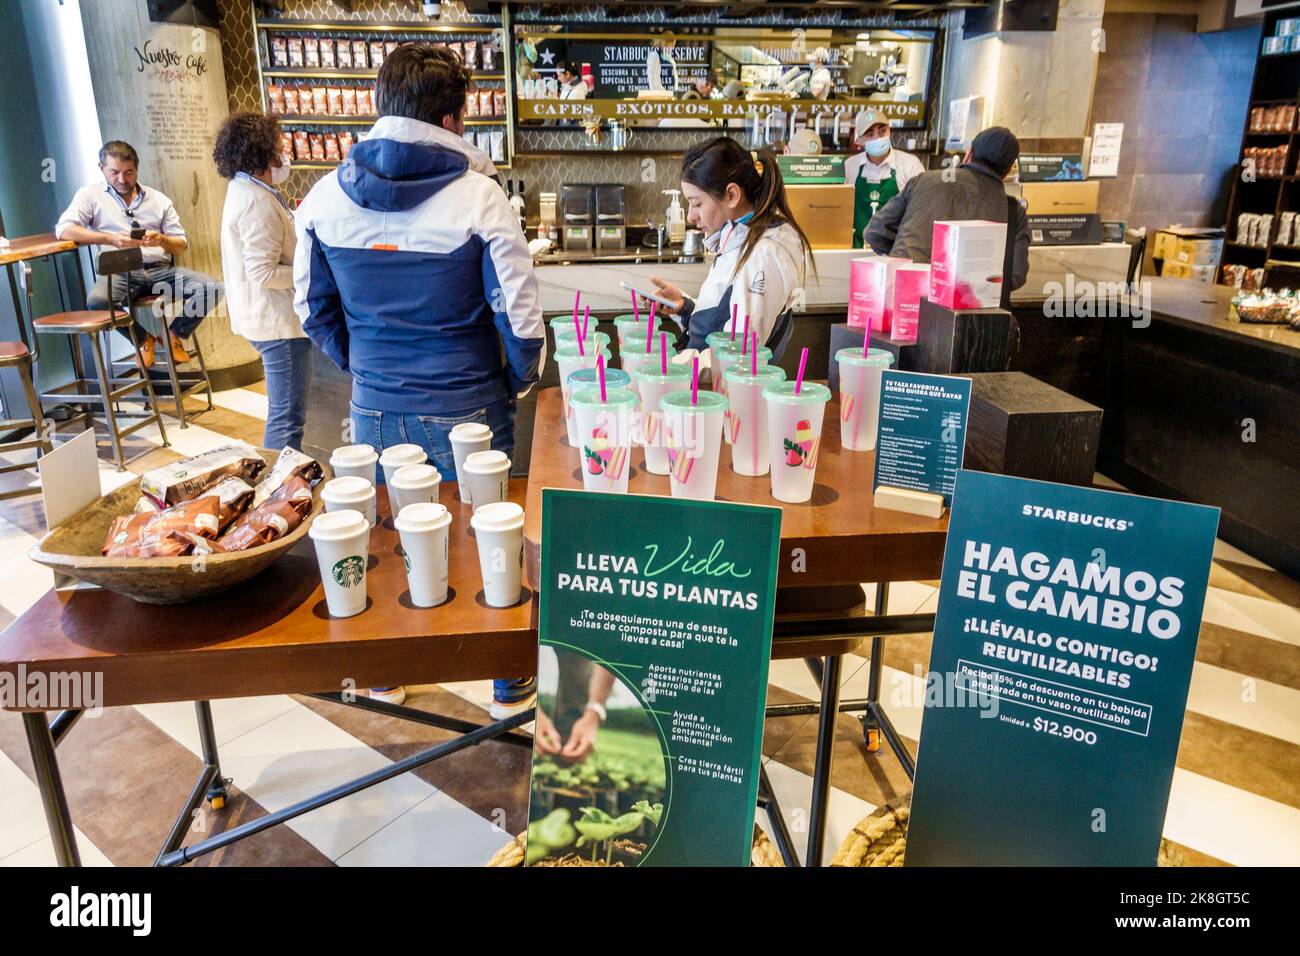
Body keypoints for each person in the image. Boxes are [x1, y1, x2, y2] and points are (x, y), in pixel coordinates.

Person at [293, 43, 545, 715]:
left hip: (373, 408)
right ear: (454, 117)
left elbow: (310, 310)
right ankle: (505, 681)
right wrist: (515, 382)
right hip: (469, 405)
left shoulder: (322, 198)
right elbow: (521, 320)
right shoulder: (481, 199)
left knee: (385, 541)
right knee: (483, 540)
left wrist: (367, 368)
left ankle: (383, 671)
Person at [56, 141, 223, 369]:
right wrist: (110, 238)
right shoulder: (90, 195)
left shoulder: (159, 200)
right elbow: (63, 230)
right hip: (121, 273)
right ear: (101, 168)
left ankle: (173, 336)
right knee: (97, 302)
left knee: (212, 288)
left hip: (160, 271)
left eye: (129, 172)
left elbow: (181, 244)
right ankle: (143, 339)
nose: (122, 179)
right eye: (114, 172)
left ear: (137, 169)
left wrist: (162, 240)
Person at [648, 137, 812, 360]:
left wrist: (673, 371)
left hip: (724, 392)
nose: (690, 216)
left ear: (732, 195)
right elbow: (725, 321)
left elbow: (737, 357)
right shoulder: (738, 237)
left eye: (697, 204)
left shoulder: (764, 254)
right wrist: (685, 308)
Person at [213, 112, 311, 452]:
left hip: (271, 321)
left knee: (286, 414)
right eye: (279, 147)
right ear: (262, 152)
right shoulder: (254, 200)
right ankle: (279, 492)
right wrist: (310, 274)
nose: (284, 154)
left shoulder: (250, 190)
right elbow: (265, 273)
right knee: (287, 418)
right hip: (277, 325)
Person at [865, 125, 1030, 308]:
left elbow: (874, 232)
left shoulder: (924, 180)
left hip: (906, 305)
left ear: (969, 154)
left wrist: (906, 261)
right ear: (1007, 171)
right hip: (968, 319)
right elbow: (1016, 275)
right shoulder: (1014, 211)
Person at [844, 109, 925, 248]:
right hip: (855, 247)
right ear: (860, 140)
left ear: (889, 130)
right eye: (870, 134)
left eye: (882, 131)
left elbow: (920, 210)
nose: (878, 138)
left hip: (896, 249)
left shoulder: (910, 164)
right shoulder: (850, 166)